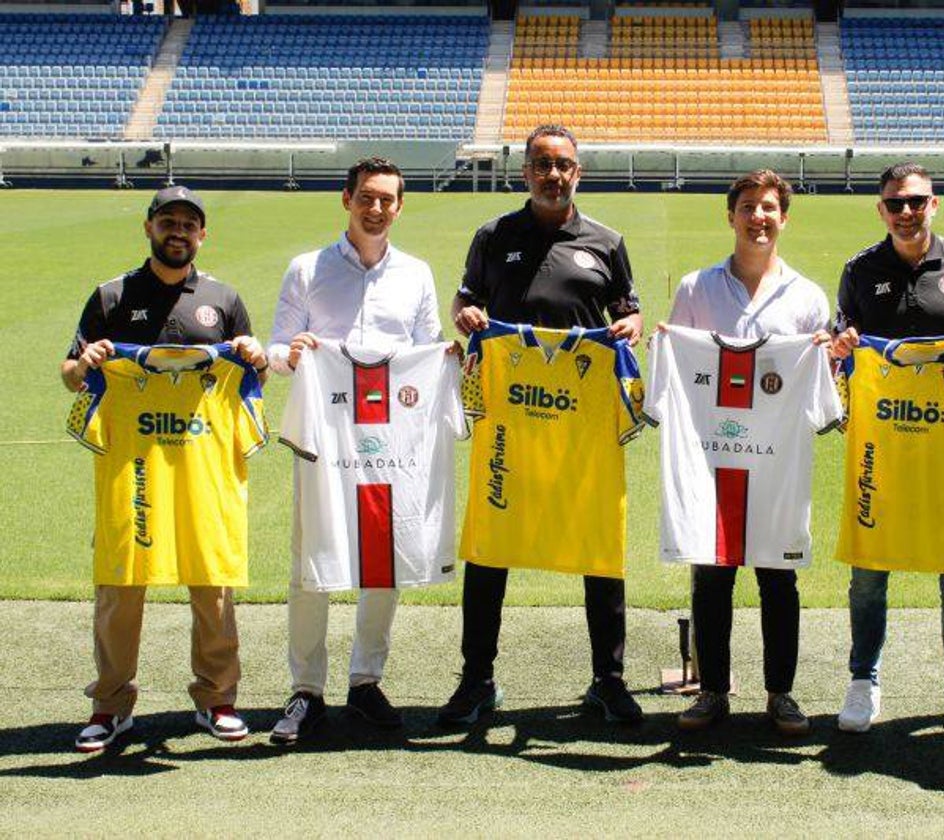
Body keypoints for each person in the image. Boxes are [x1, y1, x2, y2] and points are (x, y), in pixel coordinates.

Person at [440, 124, 645, 726]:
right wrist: (467, 314)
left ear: (578, 172)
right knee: (490, 544)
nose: (554, 174)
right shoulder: (493, 235)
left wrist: (631, 325)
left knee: (598, 544)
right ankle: (477, 679)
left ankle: (608, 680)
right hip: (509, 413)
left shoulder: (606, 242)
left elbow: (628, 311)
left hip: (581, 417)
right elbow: (463, 303)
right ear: (525, 171)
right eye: (542, 164)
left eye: (564, 165)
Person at [62, 186, 267, 752]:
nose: (178, 231)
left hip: (205, 469)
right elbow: (70, 372)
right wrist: (86, 364)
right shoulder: (111, 296)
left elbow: (257, 379)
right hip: (135, 469)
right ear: (148, 226)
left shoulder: (224, 300)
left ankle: (217, 699)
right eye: (168, 221)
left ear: (202, 236)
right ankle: (110, 706)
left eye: (189, 224)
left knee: (213, 584)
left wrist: (254, 356)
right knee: (121, 585)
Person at [829, 162, 944, 737]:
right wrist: (842, 345)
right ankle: (863, 679)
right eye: (895, 204)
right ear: (880, 209)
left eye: (916, 202)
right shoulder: (860, 269)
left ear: (935, 204)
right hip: (880, 440)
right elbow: (843, 339)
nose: (906, 212)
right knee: (870, 564)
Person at [266, 157, 444, 744]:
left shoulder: (416, 274)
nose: (376, 208)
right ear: (347, 199)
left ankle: (366, 682)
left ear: (399, 206)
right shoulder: (306, 269)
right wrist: (292, 352)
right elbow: (274, 350)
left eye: (387, 200)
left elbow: (428, 350)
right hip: (324, 437)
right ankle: (306, 690)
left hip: (392, 442)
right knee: (310, 563)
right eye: (366, 197)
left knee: (382, 558)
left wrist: (448, 359)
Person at [663, 169, 830, 734]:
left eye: (768, 208)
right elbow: (678, 377)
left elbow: (822, 389)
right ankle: (712, 690)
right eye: (748, 207)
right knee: (711, 571)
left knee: (777, 577)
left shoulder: (808, 298)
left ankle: (780, 692)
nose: (758, 217)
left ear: (784, 218)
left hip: (777, 460)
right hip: (710, 457)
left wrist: (828, 355)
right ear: (730, 215)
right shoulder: (695, 288)